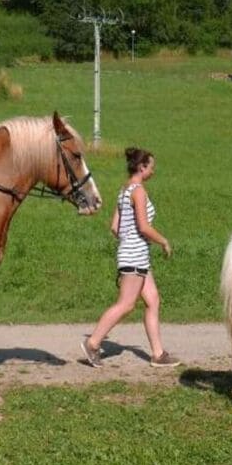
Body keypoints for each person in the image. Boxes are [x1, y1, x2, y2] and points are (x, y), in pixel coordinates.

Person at [81, 147, 178, 368]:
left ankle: (158, 354)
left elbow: (115, 227)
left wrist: (128, 243)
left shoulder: (124, 190)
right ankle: (93, 343)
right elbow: (144, 227)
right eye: (151, 167)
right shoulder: (139, 192)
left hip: (135, 255)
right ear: (142, 167)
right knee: (126, 305)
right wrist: (163, 241)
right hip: (135, 256)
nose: (153, 171)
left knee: (153, 301)